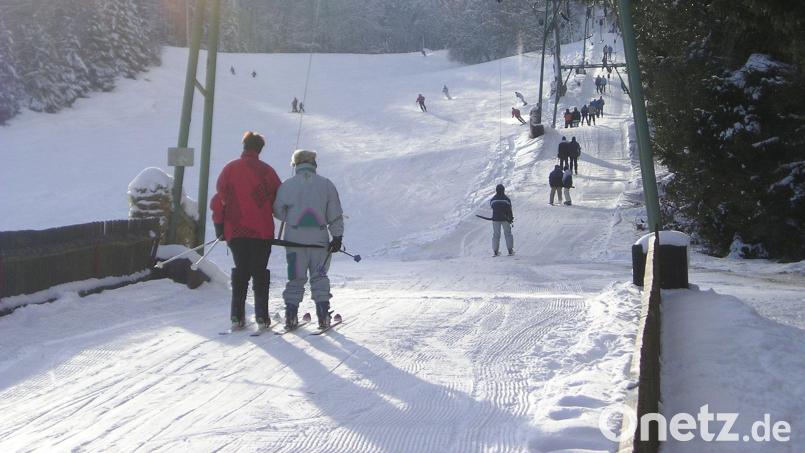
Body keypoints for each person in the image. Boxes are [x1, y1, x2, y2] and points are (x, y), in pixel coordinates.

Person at [211, 132, 282, 331]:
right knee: (259, 272)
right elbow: (279, 201)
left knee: (241, 271)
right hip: (262, 231)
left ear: (244, 146)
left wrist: (219, 227)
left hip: (236, 230)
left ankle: (236, 315)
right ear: (260, 149)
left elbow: (218, 201)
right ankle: (261, 316)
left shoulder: (229, 169)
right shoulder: (268, 172)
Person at [273, 149, 344, 330]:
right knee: (319, 276)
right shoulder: (326, 185)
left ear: (295, 164)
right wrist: (337, 236)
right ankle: (323, 315)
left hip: (293, 240)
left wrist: (292, 218)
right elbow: (335, 214)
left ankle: (291, 315)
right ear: (314, 163)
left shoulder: (287, 185)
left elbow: (278, 211)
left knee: (295, 278)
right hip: (318, 241)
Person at [490, 184, 514, 256]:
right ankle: (510, 250)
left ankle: (495, 251)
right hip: (505, 219)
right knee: (508, 234)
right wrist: (511, 218)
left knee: (496, 235)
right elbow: (510, 210)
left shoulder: (493, 199)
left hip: (495, 219)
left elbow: (492, 207)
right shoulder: (506, 199)